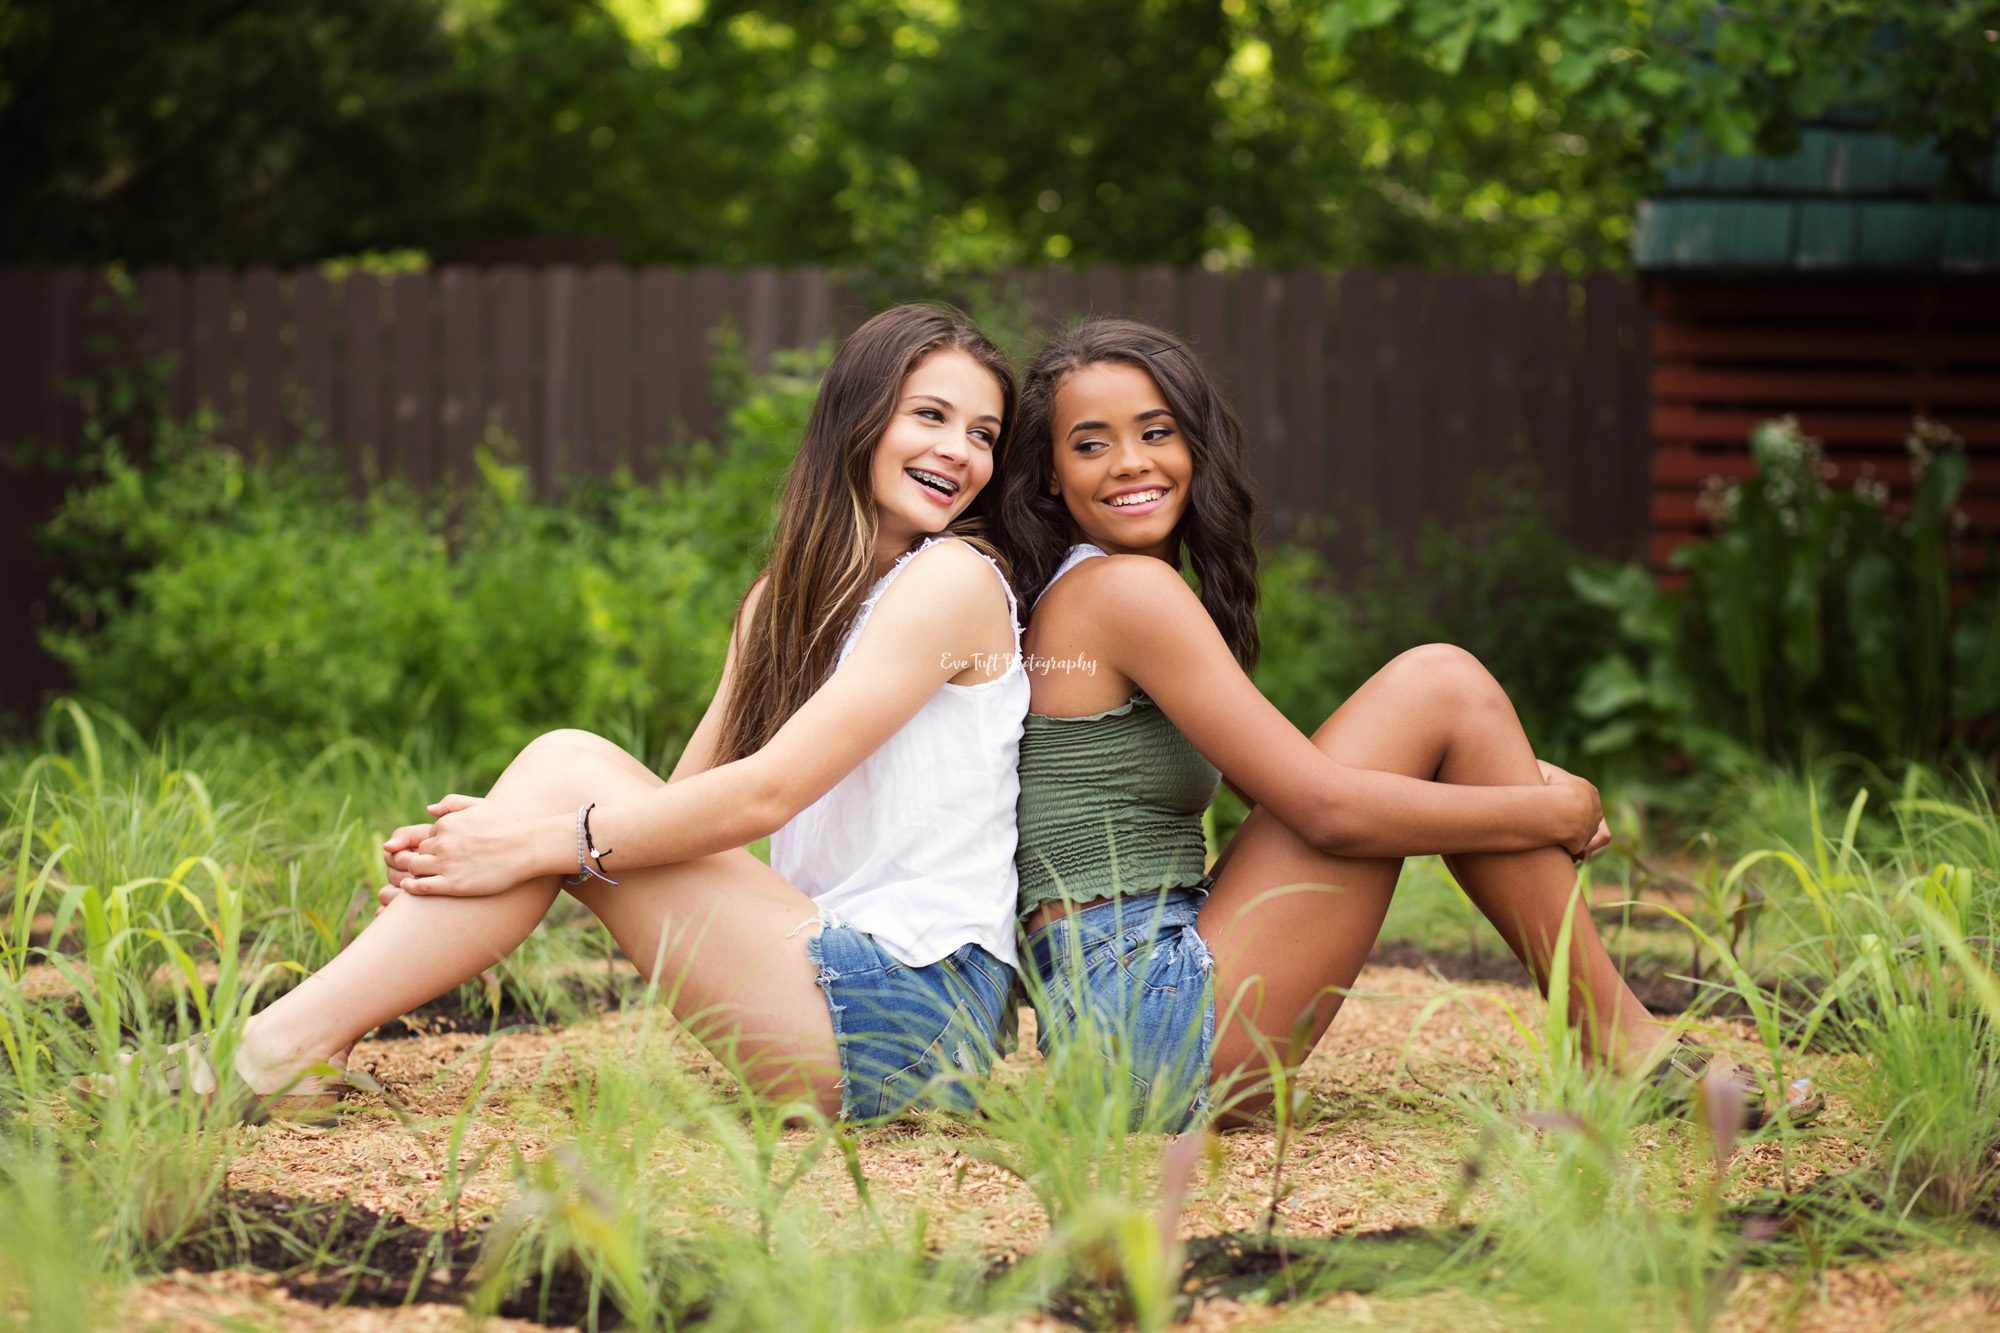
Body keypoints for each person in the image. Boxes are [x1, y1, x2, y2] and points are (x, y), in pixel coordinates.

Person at [144, 304, 1030, 1123]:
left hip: (915, 1013)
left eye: (983, 433)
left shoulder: (952, 582)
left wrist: (523, 845)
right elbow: (666, 820)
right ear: (858, 419)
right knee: (558, 793)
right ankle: (302, 1041)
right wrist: (477, 881)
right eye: (931, 415)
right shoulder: (783, 600)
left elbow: (765, 796)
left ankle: (278, 1047)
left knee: (565, 770)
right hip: (825, 986)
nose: (960, 450)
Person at [993, 317, 1820, 1132]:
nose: (1131, 462)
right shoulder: (1123, 593)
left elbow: (1278, 786)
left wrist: (1511, 786)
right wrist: (1549, 809)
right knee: (1443, 684)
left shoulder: (1108, 590)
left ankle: (1616, 1036)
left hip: (1123, 1032)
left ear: (1194, 446)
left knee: (1441, 702)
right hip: (1149, 1027)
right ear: (1053, 476)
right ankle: (1622, 1041)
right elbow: (1328, 811)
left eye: (1156, 431)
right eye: (1091, 443)